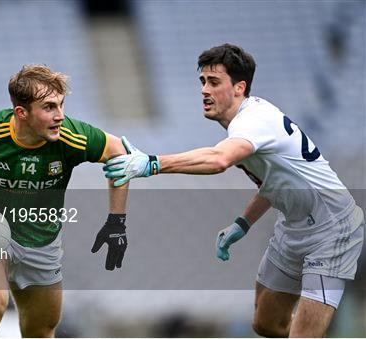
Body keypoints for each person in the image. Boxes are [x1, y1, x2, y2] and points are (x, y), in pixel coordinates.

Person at [103, 43, 364, 337]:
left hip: (333, 229)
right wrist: (243, 223)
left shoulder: (253, 122)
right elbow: (273, 182)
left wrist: (151, 164)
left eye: (214, 82)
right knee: (266, 324)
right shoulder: (245, 122)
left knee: (305, 335)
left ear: (239, 88)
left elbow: (219, 160)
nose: (204, 90)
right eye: (202, 81)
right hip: (294, 228)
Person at [0, 64, 129, 337]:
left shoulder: (73, 136)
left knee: (41, 329)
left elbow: (120, 155)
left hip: (41, 238)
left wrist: (116, 221)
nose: (60, 116)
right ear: (21, 112)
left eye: (61, 105)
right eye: (49, 107)